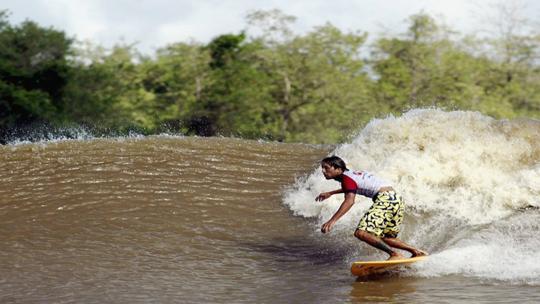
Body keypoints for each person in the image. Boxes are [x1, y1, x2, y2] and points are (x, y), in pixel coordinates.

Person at [316, 155, 427, 260]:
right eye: (322, 168)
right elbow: (354, 186)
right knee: (387, 237)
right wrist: (331, 193)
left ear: (338, 169)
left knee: (361, 233)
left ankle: (395, 254)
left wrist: (332, 221)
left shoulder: (346, 179)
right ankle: (416, 251)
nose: (323, 171)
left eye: (326, 168)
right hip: (396, 199)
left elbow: (350, 201)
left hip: (385, 199)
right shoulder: (352, 175)